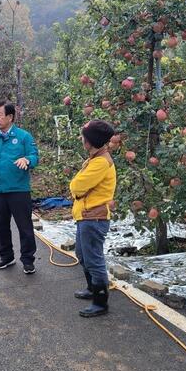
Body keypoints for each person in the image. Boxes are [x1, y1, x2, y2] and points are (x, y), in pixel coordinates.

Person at [0, 101, 39, 274]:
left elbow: (34, 156)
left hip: (19, 190)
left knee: (24, 226)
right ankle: (7, 257)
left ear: (10, 117)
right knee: (2, 226)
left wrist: (27, 160)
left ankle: (28, 260)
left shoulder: (24, 137)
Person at [69, 120, 117, 317]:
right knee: (82, 254)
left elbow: (76, 187)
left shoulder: (100, 162)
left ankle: (100, 302)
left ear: (90, 141)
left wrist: (76, 190)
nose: (82, 139)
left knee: (94, 259)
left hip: (94, 218)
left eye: (84, 136)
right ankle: (91, 288)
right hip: (86, 216)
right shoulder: (94, 158)